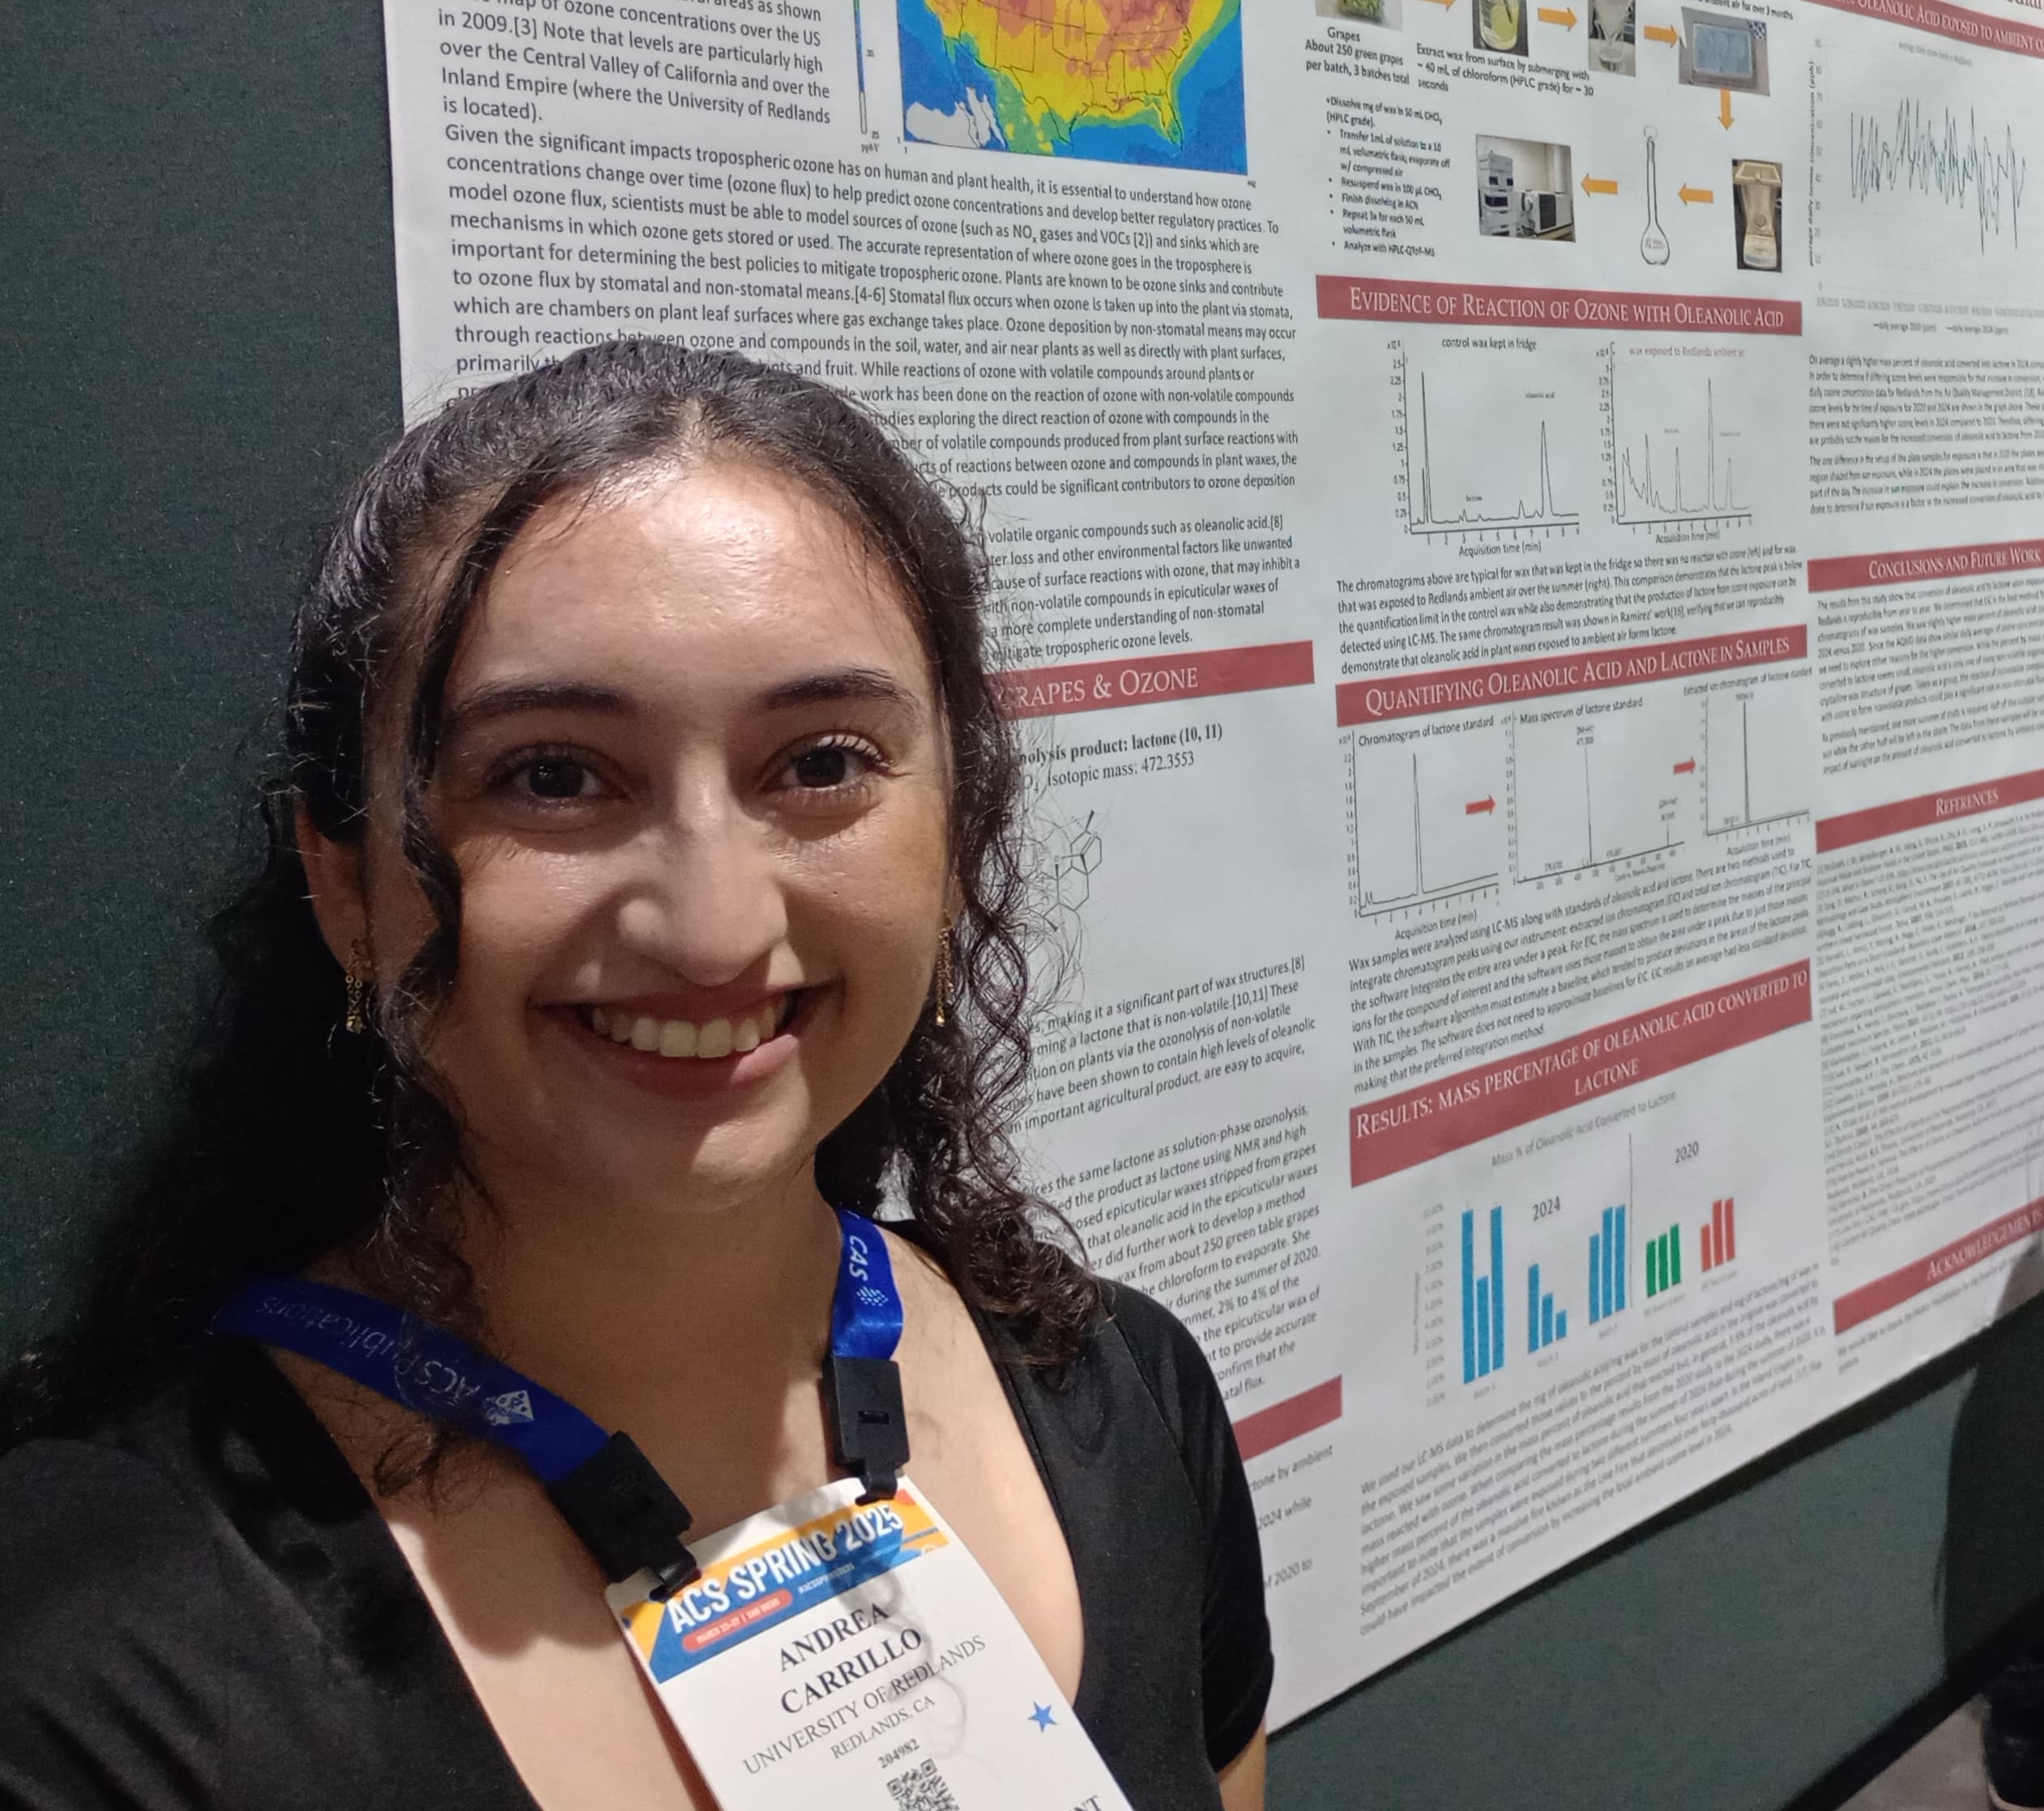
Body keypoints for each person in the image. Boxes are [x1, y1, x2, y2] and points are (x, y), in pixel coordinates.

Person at [0, 340, 1272, 1809]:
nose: (715, 924)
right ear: (345, 886)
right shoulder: (89, 1678)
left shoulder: (1124, 1397)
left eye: (821, 762)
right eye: (554, 775)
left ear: (959, 820)